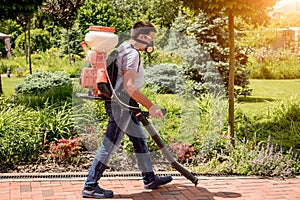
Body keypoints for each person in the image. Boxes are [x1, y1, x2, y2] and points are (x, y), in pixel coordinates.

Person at [82, 21, 173, 199]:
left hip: (123, 103)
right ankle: (90, 186)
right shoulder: (132, 54)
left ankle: (149, 178)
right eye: (151, 38)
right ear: (141, 37)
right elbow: (129, 86)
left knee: (139, 139)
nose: (152, 42)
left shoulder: (123, 47)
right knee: (110, 144)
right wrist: (151, 106)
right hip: (121, 105)